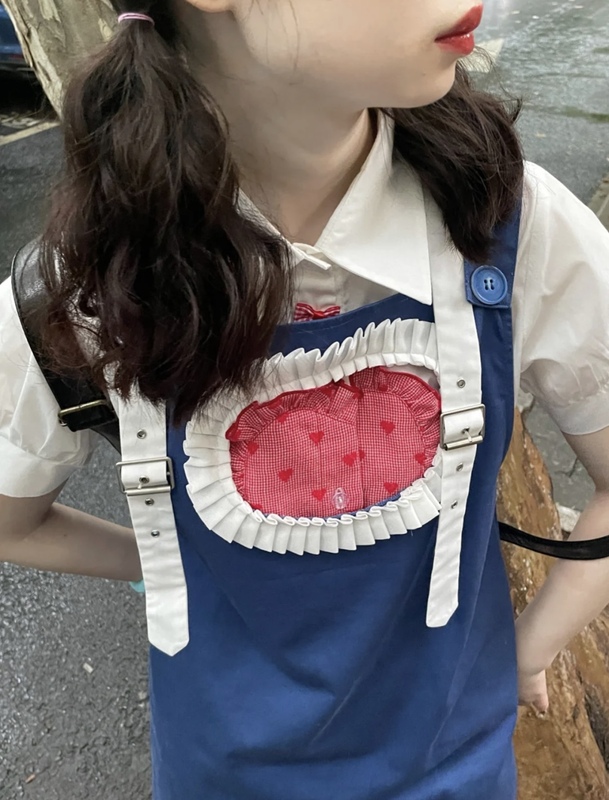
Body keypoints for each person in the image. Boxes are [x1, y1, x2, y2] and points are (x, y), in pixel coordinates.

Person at [1, 1, 609, 797]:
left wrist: (529, 651)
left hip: (459, 768)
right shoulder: (90, 284)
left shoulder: (510, 222)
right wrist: (169, 557)